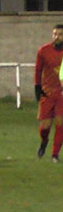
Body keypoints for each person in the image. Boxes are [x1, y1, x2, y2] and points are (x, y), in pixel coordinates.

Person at [33, 24, 63, 162]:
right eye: (55, 34)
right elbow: (38, 70)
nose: (57, 37)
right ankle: (44, 141)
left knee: (60, 122)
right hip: (47, 92)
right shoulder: (44, 50)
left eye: (60, 34)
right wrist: (37, 87)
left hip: (61, 93)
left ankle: (55, 154)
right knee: (45, 126)